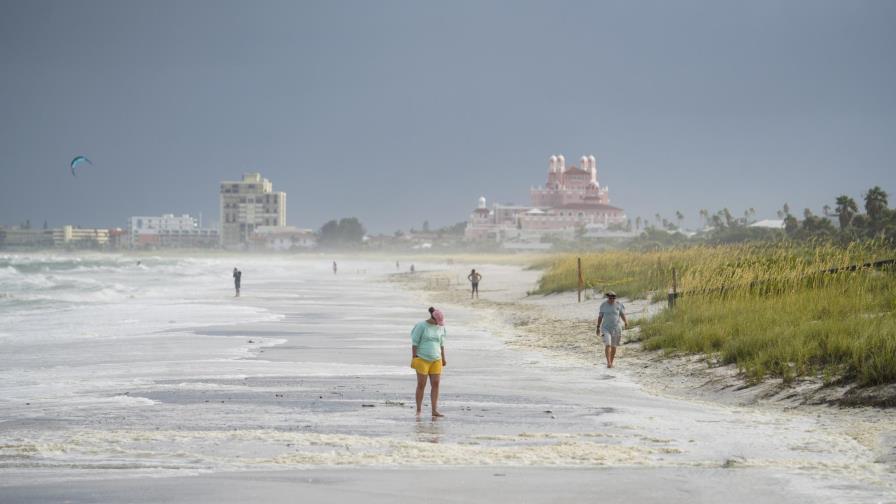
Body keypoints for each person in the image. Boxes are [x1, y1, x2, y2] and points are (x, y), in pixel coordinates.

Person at [411, 307, 447, 418]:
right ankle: (418, 410)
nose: (439, 324)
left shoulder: (440, 328)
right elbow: (414, 343)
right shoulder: (421, 326)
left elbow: (441, 344)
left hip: (436, 359)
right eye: (438, 322)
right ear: (433, 318)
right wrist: (414, 357)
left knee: (436, 384)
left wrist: (443, 358)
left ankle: (434, 410)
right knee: (421, 384)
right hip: (422, 358)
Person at [597, 291, 626, 368]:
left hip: (616, 328)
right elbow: (600, 316)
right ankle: (608, 362)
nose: (612, 299)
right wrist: (598, 327)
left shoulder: (619, 304)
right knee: (608, 344)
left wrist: (626, 322)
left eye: (614, 297)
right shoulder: (603, 305)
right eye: (610, 297)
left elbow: (622, 314)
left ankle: (611, 362)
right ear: (608, 297)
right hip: (605, 328)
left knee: (614, 346)